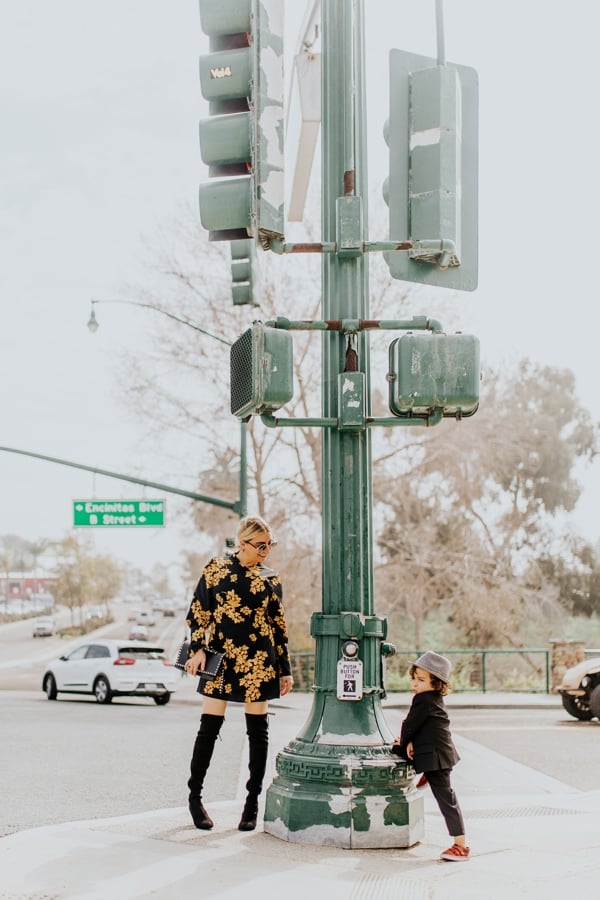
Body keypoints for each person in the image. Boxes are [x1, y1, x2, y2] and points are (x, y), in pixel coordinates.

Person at [183, 515, 294, 833]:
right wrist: (197, 649)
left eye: (270, 545)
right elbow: (198, 613)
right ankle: (194, 798)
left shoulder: (270, 578)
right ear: (242, 543)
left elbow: (278, 625)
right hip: (220, 659)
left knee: (258, 732)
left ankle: (252, 803)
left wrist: (284, 669)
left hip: (260, 661)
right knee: (209, 729)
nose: (266, 552)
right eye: (261, 546)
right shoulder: (216, 569)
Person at [391, 650, 470, 861]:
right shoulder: (433, 698)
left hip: (435, 758)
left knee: (446, 800)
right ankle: (426, 771)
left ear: (436, 684)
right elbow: (425, 728)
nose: (415, 684)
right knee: (447, 796)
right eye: (414, 679)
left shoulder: (423, 700)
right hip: (440, 755)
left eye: (421, 680)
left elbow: (410, 724)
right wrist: (410, 743)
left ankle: (460, 846)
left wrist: (401, 744)